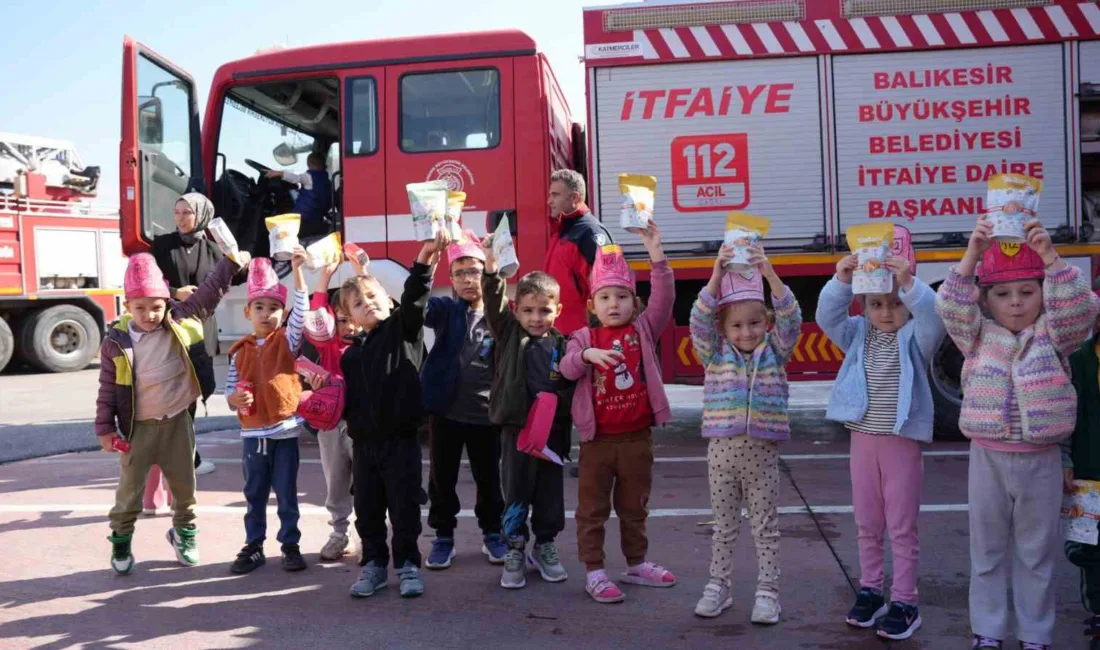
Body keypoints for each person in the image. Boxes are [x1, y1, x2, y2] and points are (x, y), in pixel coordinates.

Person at [936, 217, 1097, 650]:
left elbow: (1082, 308)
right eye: (1003, 294)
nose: (1016, 303)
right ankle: (987, 632)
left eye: (1028, 292)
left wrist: (1051, 257)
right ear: (986, 300)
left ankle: (1036, 635)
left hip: (1041, 460)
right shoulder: (975, 336)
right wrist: (971, 253)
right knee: (986, 554)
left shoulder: (1057, 335)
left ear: (1043, 293)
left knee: (1035, 555)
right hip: (987, 458)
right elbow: (950, 303)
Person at [817, 226, 945, 641]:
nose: (886, 312)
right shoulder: (857, 334)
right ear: (865, 305)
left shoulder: (917, 338)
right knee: (867, 522)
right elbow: (827, 316)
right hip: (862, 440)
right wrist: (841, 279)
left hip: (900, 441)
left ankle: (906, 600)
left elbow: (933, 315)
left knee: (901, 525)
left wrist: (908, 282)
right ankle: (872, 590)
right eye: (875, 303)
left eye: (894, 303)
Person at [97, 250, 246, 575]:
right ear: (127, 307)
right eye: (140, 308)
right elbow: (107, 389)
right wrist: (105, 429)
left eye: (156, 306)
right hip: (139, 430)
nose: (149, 314)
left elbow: (210, 289)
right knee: (128, 494)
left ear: (167, 303)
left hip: (178, 422)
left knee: (185, 490)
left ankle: (184, 535)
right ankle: (121, 541)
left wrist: (231, 264)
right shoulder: (116, 342)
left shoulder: (179, 320)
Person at [560, 222, 676, 604]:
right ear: (592, 305)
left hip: (636, 438)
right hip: (597, 444)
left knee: (634, 506)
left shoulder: (643, 329)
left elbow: (664, 299)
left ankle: (636, 563)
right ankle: (594, 570)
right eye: (606, 297)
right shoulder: (584, 338)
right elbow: (565, 368)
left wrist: (656, 254)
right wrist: (585, 356)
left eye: (622, 297)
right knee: (592, 509)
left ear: (634, 303)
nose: (614, 304)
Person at [688, 244, 801, 624]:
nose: (747, 332)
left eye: (755, 323)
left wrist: (768, 272)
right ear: (723, 329)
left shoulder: (777, 351)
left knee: (765, 528)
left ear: (766, 323)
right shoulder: (714, 353)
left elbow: (792, 316)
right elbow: (698, 319)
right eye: (736, 325)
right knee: (724, 528)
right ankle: (718, 586)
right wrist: (716, 275)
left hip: (763, 456)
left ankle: (768, 591)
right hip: (721, 455)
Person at [342, 232, 449, 600]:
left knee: (404, 510)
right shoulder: (350, 355)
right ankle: (374, 564)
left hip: (401, 444)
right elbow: (347, 401)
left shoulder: (402, 331)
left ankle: (407, 565)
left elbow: (416, 297)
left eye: (372, 297)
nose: (367, 304)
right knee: (367, 511)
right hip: (364, 448)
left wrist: (423, 259)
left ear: (388, 302)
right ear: (350, 317)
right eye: (358, 303)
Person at [481, 243, 574, 589]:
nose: (537, 317)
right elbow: (492, 303)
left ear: (558, 310)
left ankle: (545, 545)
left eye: (544, 310)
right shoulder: (509, 336)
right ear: (516, 311)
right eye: (529, 310)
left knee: (550, 495)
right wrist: (492, 269)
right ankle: (515, 547)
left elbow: (574, 383)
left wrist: (558, 405)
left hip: (552, 436)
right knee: (516, 491)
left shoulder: (564, 346)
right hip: (516, 434)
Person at [422, 231, 507, 570]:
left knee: (489, 479)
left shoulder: (500, 315)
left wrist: (493, 265)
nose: (468, 279)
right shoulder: (444, 310)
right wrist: (427, 259)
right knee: (442, 479)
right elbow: (418, 307)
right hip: (446, 414)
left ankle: (493, 532)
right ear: (451, 280)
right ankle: (443, 537)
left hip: (487, 415)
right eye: (459, 273)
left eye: (474, 270)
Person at [225, 253, 311, 575]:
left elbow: (301, 313)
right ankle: (254, 545)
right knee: (254, 493)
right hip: (253, 436)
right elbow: (229, 395)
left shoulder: (288, 341)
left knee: (286, 493)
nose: (267, 314)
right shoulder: (239, 352)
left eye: (274, 308)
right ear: (247, 311)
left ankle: (290, 545)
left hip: (285, 431)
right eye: (259, 307)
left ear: (283, 313)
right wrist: (235, 398)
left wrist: (299, 272)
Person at [152, 192, 230, 476]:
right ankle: (180, 457)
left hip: (200, 327)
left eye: (188, 213)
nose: (182, 218)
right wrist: (175, 293)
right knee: (170, 393)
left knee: (191, 394)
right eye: (178, 212)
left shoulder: (213, 248)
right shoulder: (161, 245)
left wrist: (238, 256)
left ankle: (188, 457)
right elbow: (147, 283)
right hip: (169, 325)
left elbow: (226, 281)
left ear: (202, 215)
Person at [302, 252, 364, 562]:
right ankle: (340, 533)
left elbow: (373, 303)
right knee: (336, 482)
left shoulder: (372, 341)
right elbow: (315, 312)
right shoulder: (327, 344)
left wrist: (361, 271)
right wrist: (325, 276)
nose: (350, 326)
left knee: (367, 483)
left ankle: (371, 534)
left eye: (354, 318)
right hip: (331, 425)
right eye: (341, 320)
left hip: (365, 424)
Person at [543, 169, 612, 336]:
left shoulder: (590, 233)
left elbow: (607, 290)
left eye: (555, 195)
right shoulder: (563, 230)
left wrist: (598, 337)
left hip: (581, 336)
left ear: (574, 197)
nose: (549, 201)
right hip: (563, 333)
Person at [1067, 316, 1100, 650]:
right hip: (1089, 474)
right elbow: (1066, 418)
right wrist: (1065, 459)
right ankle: (1098, 614)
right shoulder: (1079, 360)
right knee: (1088, 548)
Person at [265, 153, 333, 238]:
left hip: (303, 218)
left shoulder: (309, 176)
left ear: (309, 164)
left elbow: (296, 178)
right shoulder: (327, 181)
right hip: (317, 217)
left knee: (279, 229)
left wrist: (279, 173)